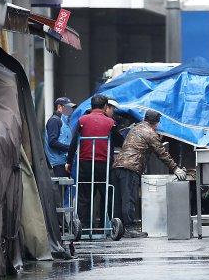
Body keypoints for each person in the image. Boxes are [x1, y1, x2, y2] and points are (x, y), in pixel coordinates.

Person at [112, 109, 186, 238]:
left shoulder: (135, 128)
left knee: (119, 200)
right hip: (131, 168)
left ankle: (118, 229)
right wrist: (175, 168)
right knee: (129, 198)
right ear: (156, 123)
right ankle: (129, 228)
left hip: (118, 165)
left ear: (144, 119)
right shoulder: (150, 133)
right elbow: (162, 153)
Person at [65, 94, 116, 230]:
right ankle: (105, 225)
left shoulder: (82, 120)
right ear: (105, 107)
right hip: (103, 164)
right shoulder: (110, 122)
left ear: (91, 106)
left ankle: (84, 225)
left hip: (85, 163)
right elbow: (117, 140)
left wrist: (69, 162)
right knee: (105, 193)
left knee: (84, 196)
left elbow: (74, 143)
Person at [44, 96, 76, 178]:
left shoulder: (62, 121)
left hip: (62, 161)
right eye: (68, 108)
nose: (70, 111)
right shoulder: (55, 120)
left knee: (63, 188)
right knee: (60, 189)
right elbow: (52, 142)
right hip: (58, 163)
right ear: (59, 107)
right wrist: (70, 148)